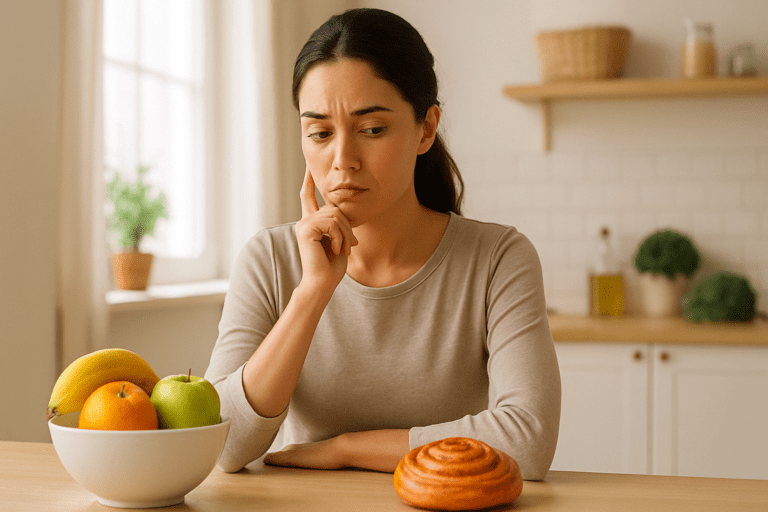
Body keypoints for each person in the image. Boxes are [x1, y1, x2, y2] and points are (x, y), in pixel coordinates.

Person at [204, 8, 561, 481]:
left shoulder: (498, 259)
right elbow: (221, 445)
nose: (342, 161)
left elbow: (528, 441)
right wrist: (312, 293)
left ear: (426, 129)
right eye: (320, 133)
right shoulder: (267, 259)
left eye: (372, 129)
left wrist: (346, 449)